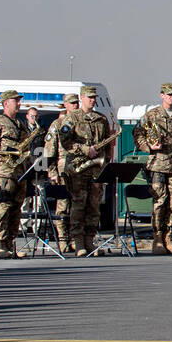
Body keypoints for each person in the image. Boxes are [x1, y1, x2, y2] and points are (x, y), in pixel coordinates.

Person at [58, 86, 115, 258]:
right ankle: (78, 242)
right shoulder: (71, 118)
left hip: (96, 170)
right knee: (78, 204)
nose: (92, 100)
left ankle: (90, 240)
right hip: (78, 169)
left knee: (94, 206)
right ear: (82, 97)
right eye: (89, 97)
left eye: (94, 97)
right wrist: (84, 150)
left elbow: (106, 144)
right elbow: (65, 141)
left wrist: (104, 163)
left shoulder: (101, 119)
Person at [133, 83, 172, 254]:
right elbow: (138, 134)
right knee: (160, 201)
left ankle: (168, 237)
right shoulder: (152, 115)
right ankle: (157, 238)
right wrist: (149, 146)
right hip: (158, 164)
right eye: (168, 94)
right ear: (162, 95)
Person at [0, 90, 30, 259]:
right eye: (16, 101)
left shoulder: (19, 124)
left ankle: (11, 244)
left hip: (19, 172)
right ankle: (0, 245)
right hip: (5, 173)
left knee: (16, 209)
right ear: (6, 104)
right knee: (3, 208)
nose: (19, 104)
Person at [44, 94, 80, 253]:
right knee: (63, 207)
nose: (75, 105)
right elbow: (49, 152)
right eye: (72, 103)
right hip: (62, 170)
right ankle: (63, 239)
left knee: (77, 206)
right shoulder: (57, 124)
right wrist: (52, 172)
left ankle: (75, 238)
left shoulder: (80, 123)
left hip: (79, 170)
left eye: (76, 103)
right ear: (65, 105)